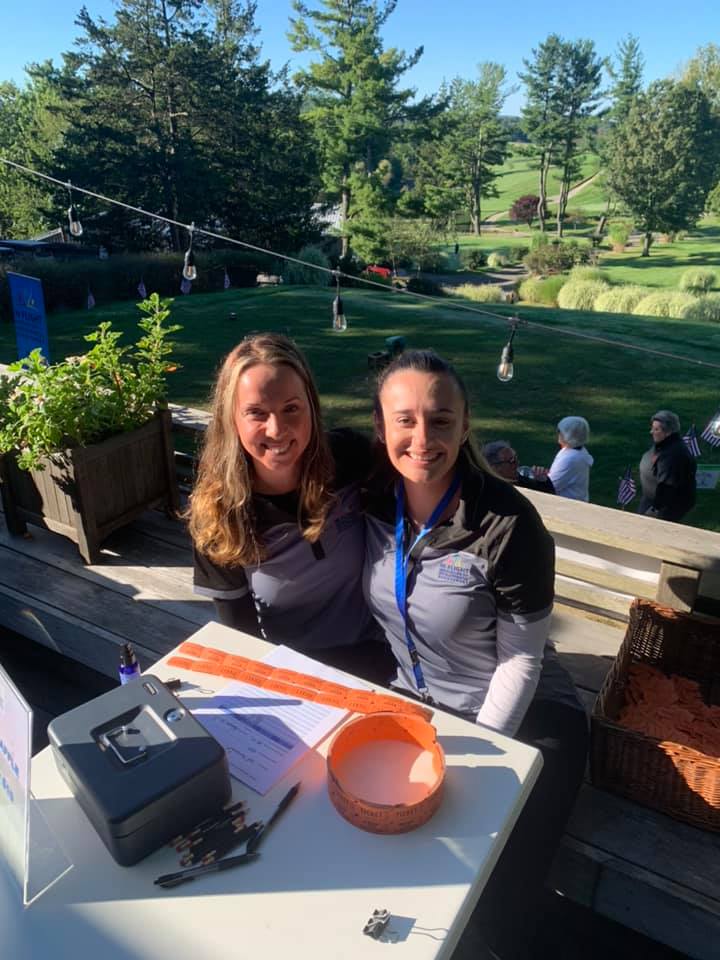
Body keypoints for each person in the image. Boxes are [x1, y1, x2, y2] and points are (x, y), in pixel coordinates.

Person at [363, 349, 588, 959]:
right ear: (381, 426)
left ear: (465, 425)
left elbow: (521, 662)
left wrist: (477, 757)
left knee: (494, 879)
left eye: (440, 420)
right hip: (418, 702)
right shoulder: (370, 499)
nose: (422, 438)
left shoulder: (507, 523)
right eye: (404, 419)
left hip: (524, 718)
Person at [189, 332, 393, 684]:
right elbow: (242, 641)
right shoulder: (219, 515)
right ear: (230, 419)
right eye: (256, 413)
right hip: (293, 676)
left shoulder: (351, 460)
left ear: (311, 407)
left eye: (291, 409)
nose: (277, 429)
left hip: (381, 659)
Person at [638, 410, 696, 522]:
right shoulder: (664, 444)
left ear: (668, 432)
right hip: (650, 500)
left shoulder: (674, 455)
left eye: (656, 429)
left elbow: (667, 487)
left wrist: (654, 510)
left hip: (664, 508)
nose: (651, 432)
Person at [545, 415, 593, 501]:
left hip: (568, 506)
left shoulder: (570, 459)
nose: (558, 433)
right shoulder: (578, 451)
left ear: (567, 436)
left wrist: (537, 479)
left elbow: (550, 487)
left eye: (560, 431)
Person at [483, 439, 555, 494]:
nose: (517, 463)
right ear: (494, 467)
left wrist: (543, 481)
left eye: (516, 458)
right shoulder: (486, 489)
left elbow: (552, 498)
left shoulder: (523, 482)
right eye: (511, 461)